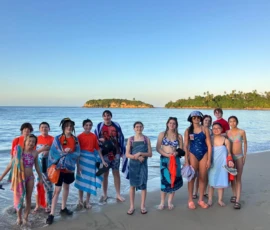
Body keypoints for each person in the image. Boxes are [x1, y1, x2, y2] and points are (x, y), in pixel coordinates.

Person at [0, 134, 43, 226]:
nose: (31, 143)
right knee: (19, 198)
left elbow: (37, 166)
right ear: (25, 141)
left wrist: (40, 177)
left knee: (28, 198)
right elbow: (10, 165)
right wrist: (1, 177)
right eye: (29, 141)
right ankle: (19, 217)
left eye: (33, 142)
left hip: (30, 178)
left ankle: (25, 218)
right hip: (19, 179)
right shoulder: (19, 152)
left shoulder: (35, 153)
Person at [46, 118, 81, 225]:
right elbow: (53, 153)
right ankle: (51, 214)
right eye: (67, 126)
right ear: (63, 127)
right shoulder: (58, 138)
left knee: (67, 187)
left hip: (70, 168)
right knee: (57, 190)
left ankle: (63, 208)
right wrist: (63, 152)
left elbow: (77, 153)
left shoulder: (75, 139)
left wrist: (77, 166)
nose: (69, 128)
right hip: (58, 168)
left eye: (70, 126)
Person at [74, 119, 108, 209]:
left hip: (91, 161)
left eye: (90, 125)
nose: (88, 127)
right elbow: (77, 152)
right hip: (82, 161)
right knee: (81, 181)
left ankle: (87, 201)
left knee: (90, 181)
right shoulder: (79, 137)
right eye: (86, 125)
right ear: (83, 126)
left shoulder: (93, 136)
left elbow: (97, 149)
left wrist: (103, 161)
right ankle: (80, 200)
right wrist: (78, 166)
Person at [94, 110, 127, 202]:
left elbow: (121, 138)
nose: (106, 117)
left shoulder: (116, 125)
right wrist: (99, 140)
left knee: (116, 173)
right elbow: (95, 138)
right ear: (102, 117)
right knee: (105, 174)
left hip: (116, 153)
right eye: (104, 116)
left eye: (108, 115)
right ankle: (104, 194)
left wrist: (122, 150)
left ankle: (118, 194)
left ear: (111, 116)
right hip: (104, 154)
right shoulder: (99, 126)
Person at [184, 111, 212, 209]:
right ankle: (190, 199)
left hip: (204, 153)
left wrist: (209, 159)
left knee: (202, 177)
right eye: (194, 117)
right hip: (192, 154)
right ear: (191, 119)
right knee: (191, 177)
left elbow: (209, 145)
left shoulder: (205, 129)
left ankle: (200, 200)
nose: (196, 119)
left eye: (198, 117)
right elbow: (186, 146)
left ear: (200, 118)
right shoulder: (188, 130)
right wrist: (186, 160)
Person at [156, 117, 183, 210]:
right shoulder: (162, 134)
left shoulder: (179, 136)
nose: (172, 125)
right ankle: (162, 202)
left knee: (173, 180)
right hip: (164, 159)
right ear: (167, 124)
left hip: (175, 160)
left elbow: (182, 150)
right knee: (164, 181)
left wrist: (176, 153)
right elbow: (158, 148)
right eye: (170, 123)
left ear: (176, 125)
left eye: (174, 123)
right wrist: (166, 155)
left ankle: (169, 201)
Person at [125, 121, 152, 215]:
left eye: (140, 126)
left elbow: (150, 154)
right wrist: (136, 157)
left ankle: (142, 206)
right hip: (133, 165)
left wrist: (141, 154)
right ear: (134, 128)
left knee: (143, 185)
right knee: (132, 185)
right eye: (137, 127)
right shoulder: (131, 139)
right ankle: (132, 206)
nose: (138, 128)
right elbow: (127, 154)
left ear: (143, 128)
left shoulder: (146, 139)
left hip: (143, 165)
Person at [208, 122, 234, 207]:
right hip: (212, 163)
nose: (216, 130)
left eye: (218, 128)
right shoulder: (209, 139)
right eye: (214, 128)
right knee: (211, 182)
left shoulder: (226, 140)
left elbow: (229, 153)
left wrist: (230, 161)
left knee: (221, 182)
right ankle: (210, 199)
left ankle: (220, 200)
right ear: (212, 130)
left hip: (222, 164)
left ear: (222, 129)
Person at [33, 122, 54, 214]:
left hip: (49, 166)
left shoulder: (53, 139)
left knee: (49, 186)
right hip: (37, 166)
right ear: (39, 129)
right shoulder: (35, 139)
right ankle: (38, 205)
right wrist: (42, 150)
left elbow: (56, 152)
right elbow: (32, 152)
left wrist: (48, 151)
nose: (44, 129)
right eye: (42, 127)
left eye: (46, 127)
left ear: (49, 129)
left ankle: (48, 205)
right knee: (37, 185)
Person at [227, 116, 247, 209]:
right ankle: (234, 195)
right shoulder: (227, 133)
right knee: (232, 178)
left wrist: (245, 156)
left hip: (239, 156)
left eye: (234, 121)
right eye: (230, 121)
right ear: (229, 123)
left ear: (237, 122)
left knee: (238, 178)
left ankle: (238, 200)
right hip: (231, 158)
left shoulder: (241, 132)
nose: (232, 123)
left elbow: (245, 144)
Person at [193, 114, 212, 199]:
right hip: (196, 154)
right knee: (197, 174)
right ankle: (195, 192)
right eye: (205, 120)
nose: (207, 122)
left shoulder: (211, 131)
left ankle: (204, 191)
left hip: (207, 153)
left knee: (205, 175)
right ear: (202, 121)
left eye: (209, 121)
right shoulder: (195, 129)